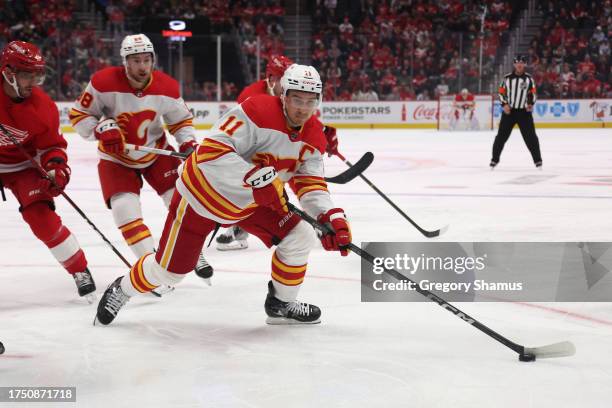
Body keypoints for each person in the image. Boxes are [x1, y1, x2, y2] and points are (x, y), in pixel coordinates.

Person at [95, 64, 352, 326]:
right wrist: (256, 179)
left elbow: (309, 184)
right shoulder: (256, 111)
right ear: (283, 95)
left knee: (301, 235)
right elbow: (210, 152)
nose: (303, 108)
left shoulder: (313, 137)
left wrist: (328, 216)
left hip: (250, 204)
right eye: (297, 99)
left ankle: (281, 304)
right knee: (169, 273)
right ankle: (122, 288)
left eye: (311, 101)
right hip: (201, 197)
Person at [69, 34, 213, 283]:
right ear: (125, 62)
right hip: (116, 158)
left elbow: (180, 121)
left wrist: (188, 142)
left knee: (181, 202)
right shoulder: (103, 82)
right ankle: (152, 269)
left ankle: (191, 252)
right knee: (125, 210)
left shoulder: (166, 87)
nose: (143, 66)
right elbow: (80, 114)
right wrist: (100, 128)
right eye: (136, 60)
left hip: (155, 153)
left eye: (147, 60)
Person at [0, 41, 96, 301]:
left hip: (23, 166)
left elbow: (52, 146)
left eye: (36, 74)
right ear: (8, 72)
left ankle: (79, 269)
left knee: (42, 219)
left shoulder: (43, 107)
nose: (33, 81)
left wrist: (56, 170)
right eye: (26, 74)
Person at [216, 55, 340, 251]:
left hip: (280, 158)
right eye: (278, 77)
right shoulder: (252, 98)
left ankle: (317, 219)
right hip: (255, 159)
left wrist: (322, 135)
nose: (281, 82)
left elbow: (301, 123)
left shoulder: (296, 97)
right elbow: (234, 139)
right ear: (270, 78)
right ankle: (238, 226)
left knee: (293, 182)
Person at [491, 55, 542, 169]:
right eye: (517, 62)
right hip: (509, 113)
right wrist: (504, 104)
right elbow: (501, 92)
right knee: (501, 137)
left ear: (524, 65)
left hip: (524, 113)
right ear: (514, 64)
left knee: (531, 138)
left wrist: (530, 103)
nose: (519, 64)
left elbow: (532, 93)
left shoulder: (529, 79)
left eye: (522, 62)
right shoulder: (506, 78)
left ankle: (538, 161)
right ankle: (494, 160)